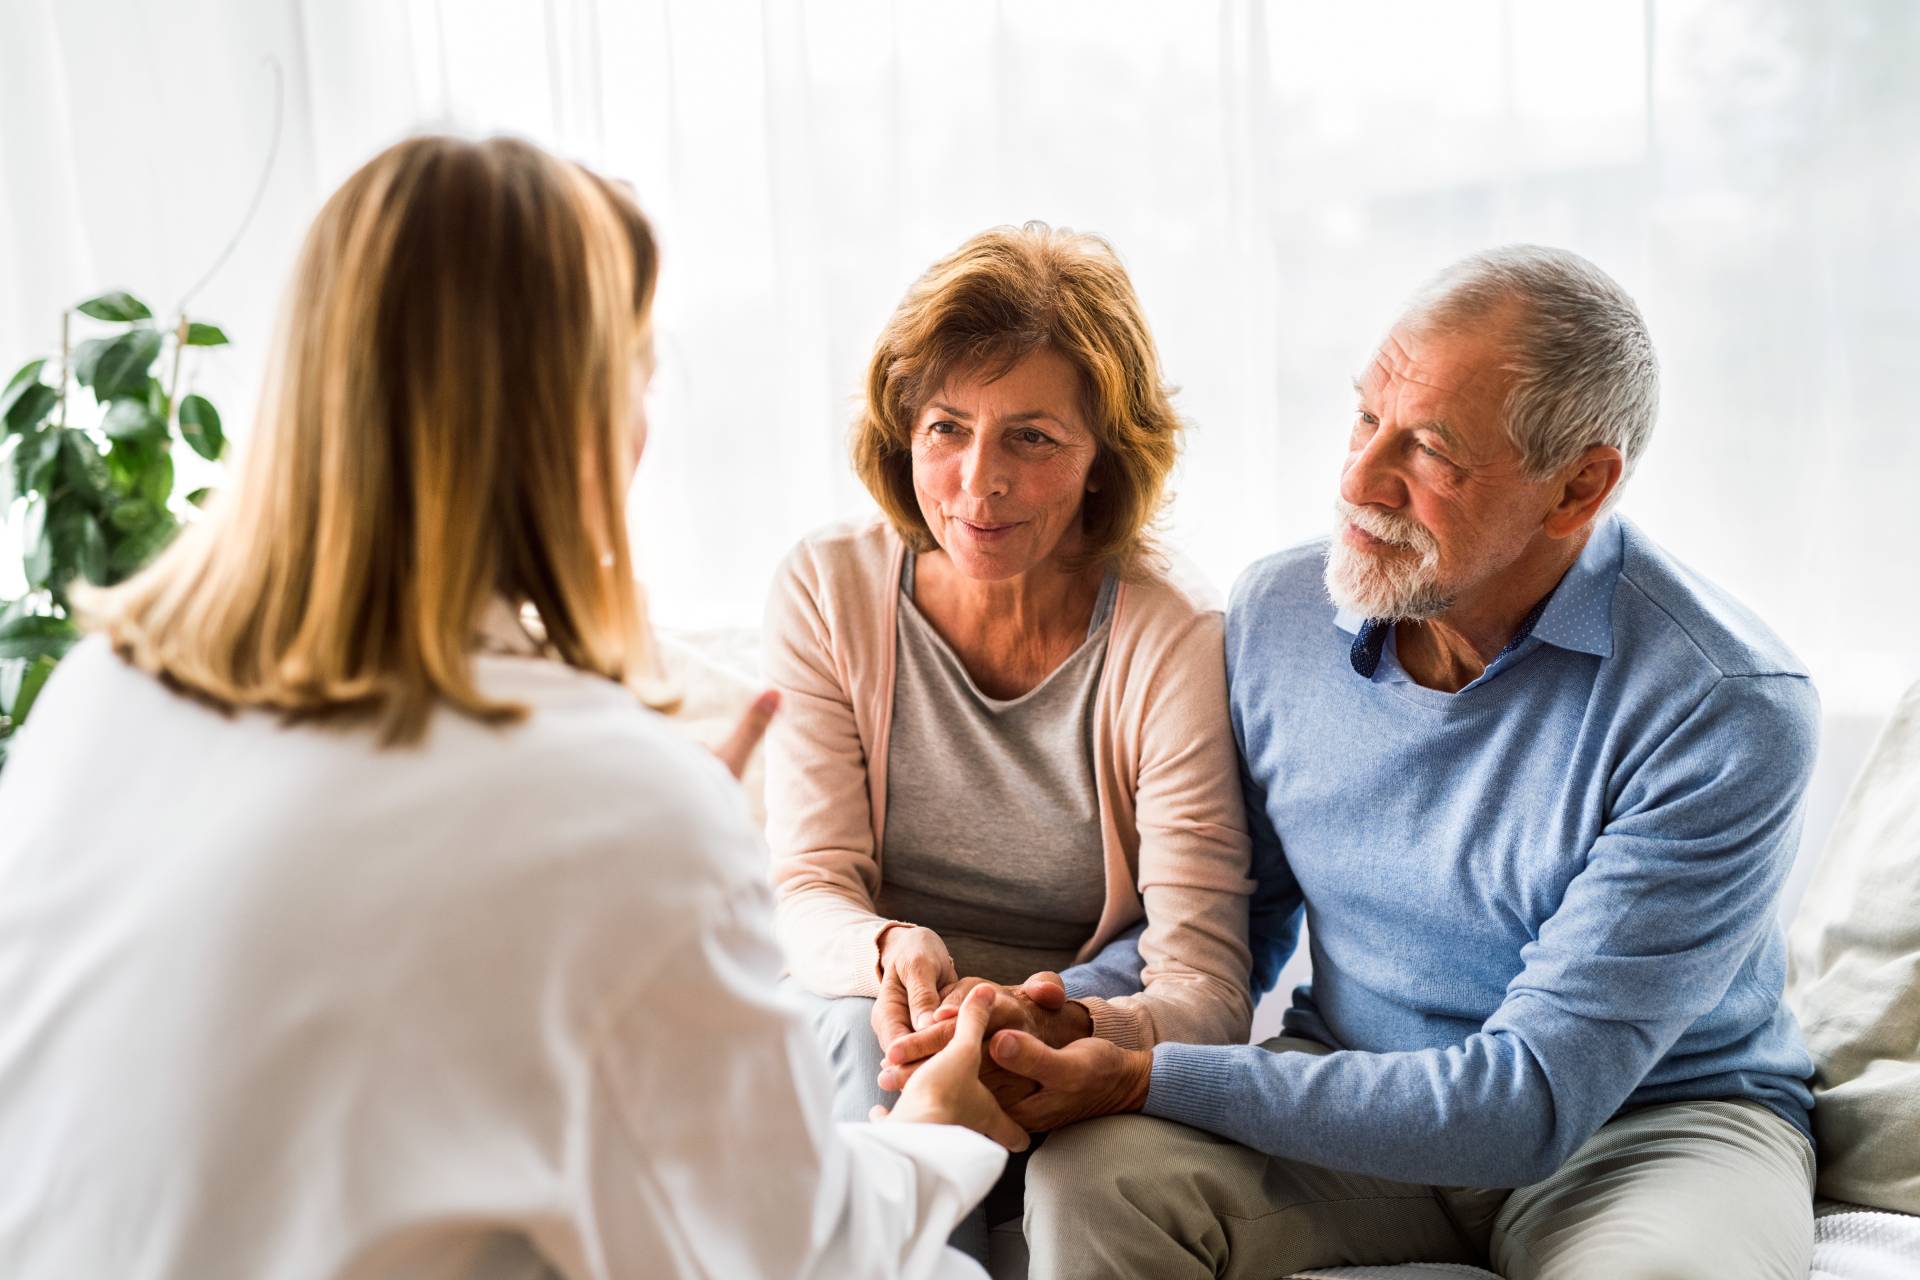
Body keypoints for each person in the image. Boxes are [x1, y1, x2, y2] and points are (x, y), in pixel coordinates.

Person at [0, 134, 1024, 1280]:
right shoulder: (600, 796)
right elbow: (798, 1253)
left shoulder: (96, 693)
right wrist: (936, 1130)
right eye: (640, 376)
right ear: (580, 427)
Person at [980, 246, 1822, 1279]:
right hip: (1356, 1080)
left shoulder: (1726, 703)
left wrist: (1145, 1075)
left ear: (1580, 485)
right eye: (1366, 417)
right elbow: (1223, 921)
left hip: (1648, 1125)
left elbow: (1529, 1099)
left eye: (1429, 449)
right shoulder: (1280, 614)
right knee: (1092, 1177)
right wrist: (1056, 1014)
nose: (1358, 479)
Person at [762, 223, 1256, 1253]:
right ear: (902, 429)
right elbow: (806, 891)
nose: (977, 482)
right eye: (947, 427)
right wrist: (891, 947)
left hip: (1062, 1021)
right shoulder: (829, 585)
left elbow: (1206, 984)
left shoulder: (1169, 635)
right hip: (874, 1005)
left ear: (1103, 461)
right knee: (867, 1042)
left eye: (1032, 438)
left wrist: (1059, 1021)